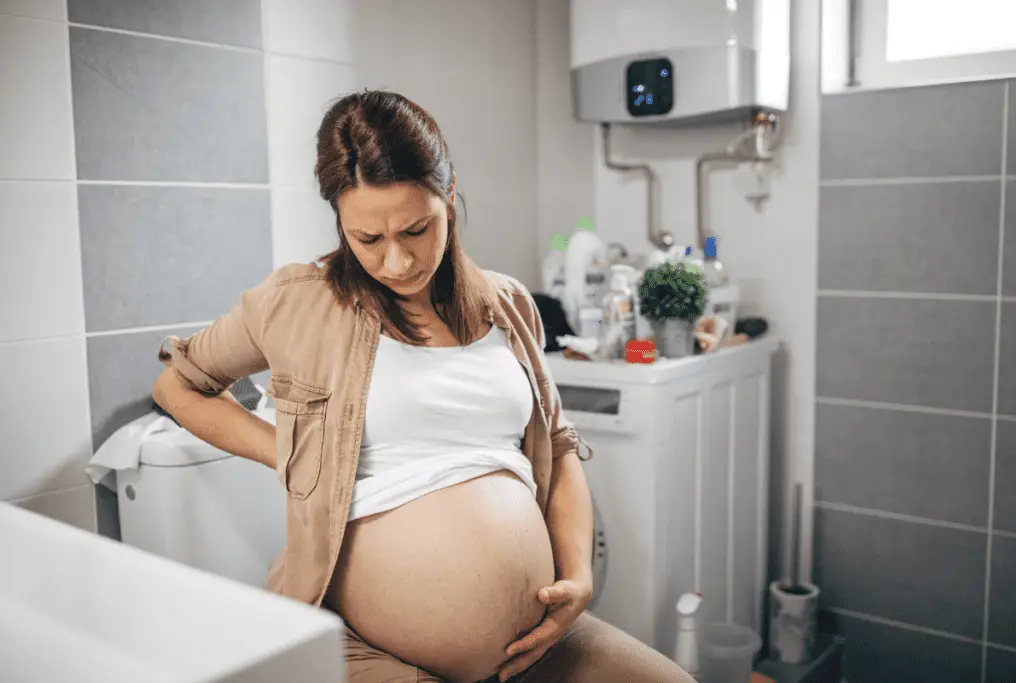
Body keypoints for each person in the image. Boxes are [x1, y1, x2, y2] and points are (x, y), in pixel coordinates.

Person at [153, 90, 693, 683]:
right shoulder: (295, 301)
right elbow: (179, 387)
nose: (397, 262)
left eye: (416, 229)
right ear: (339, 220)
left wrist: (579, 577)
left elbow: (559, 451)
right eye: (368, 239)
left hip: (537, 641)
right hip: (365, 647)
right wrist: (283, 450)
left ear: (450, 194)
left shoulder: (508, 305)